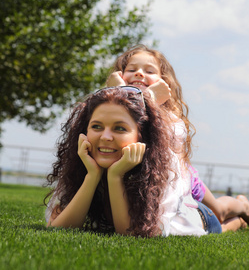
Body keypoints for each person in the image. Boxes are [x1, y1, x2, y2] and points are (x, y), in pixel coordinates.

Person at [44, 87, 244, 237]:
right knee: (226, 218)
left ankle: (242, 207)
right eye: (96, 126)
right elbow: (59, 228)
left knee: (221, 218)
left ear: (141, 136)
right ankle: (239, 220)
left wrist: (115, 176)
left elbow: (130, 234)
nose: (105, 136)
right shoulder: (79, 165)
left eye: (120, 128)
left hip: (196, 218)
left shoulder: (162, 168)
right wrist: (93, 175)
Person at [106, 44, 249, 227]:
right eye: (132, 69)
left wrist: (146, 97)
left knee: (219, 212)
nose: (139, 73)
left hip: (183, 179)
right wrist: (117, 93)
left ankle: (242, 206)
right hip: (152, 181)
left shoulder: (167, 112)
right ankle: (238, 223)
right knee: (215, 221)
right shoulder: (111, 108)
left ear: (163, 80)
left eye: (149, 70)